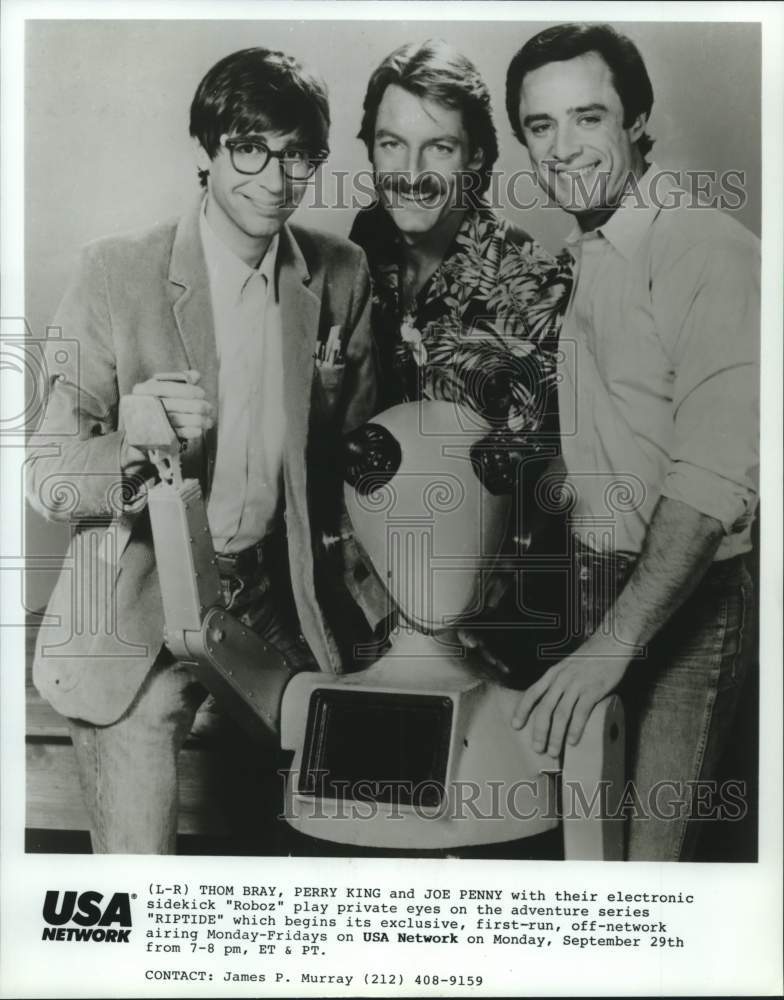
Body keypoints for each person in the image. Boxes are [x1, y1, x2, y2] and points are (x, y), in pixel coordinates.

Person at [26, 47, 377, 854]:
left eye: (298, 156)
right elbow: (45, 476)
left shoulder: (341, 272)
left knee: (349, 803)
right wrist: (132, 442)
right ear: (206, 150)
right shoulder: (119, 272)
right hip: (140, 586)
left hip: (280, 594)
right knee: (137, 881)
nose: (274, 178)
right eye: (249, 148)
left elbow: (364, 464)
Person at [504, 23, 759, 860]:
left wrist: (607, 648)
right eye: (541, 127)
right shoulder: (594, 244)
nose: (564, 148)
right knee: (589, 850)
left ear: (638, 120)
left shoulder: (706, 249)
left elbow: (712, 481)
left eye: (589, 118)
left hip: (691, 593)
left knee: (652, 873)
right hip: (594, 579)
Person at [348, 39, 572, 655]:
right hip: (353, 600)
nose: (412, 171)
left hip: (483, 627)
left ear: (475, 158)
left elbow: (546, 490)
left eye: (439, 148)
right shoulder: (354, 254)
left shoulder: (535, 283)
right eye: (392, 143)